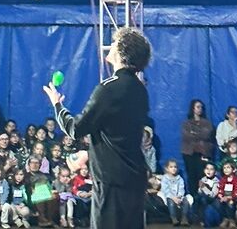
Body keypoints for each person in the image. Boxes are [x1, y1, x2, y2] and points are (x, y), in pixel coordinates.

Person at [43, 26, 151, 229]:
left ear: (122, 51)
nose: (111, 45)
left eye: (115, 42)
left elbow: (75, 129)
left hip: (112, 180)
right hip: (135, 178)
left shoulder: (108, 88)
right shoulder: (140, 90)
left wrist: (57, 105)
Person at [181, 100, 214, 195]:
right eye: (198, 107)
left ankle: (203, 197)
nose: (200, 109)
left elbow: (207, 135)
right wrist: (199, 135)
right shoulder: (186, 123)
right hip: (189, 153)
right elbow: (187, 136)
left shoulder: (207, 123)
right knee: (191, 176)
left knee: (202, 176)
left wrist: (194, 133)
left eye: (201, 107)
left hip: (202, 153)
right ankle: (193, 196)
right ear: (193, 109)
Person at [161, 158, 192, 226]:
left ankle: (184, 218)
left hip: (179, 196)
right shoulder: (165, 178)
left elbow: (181, 189)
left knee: (186, 202)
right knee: (171, 203)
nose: (173, 169)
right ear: (167, 168)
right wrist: (173, 197)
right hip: (170, 196)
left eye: (175, 167)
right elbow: (165, 189)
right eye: (171, 167)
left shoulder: (179, 178)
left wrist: (179, 197)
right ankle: (173, 218)